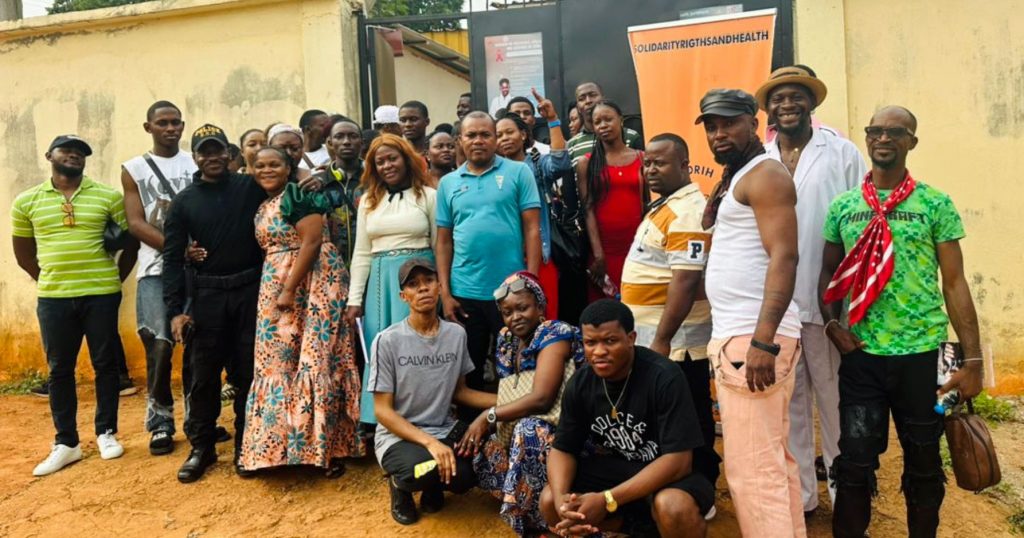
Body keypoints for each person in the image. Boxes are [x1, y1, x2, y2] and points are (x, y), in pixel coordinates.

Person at [821, 106, 983, 538]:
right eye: (876, 130)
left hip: (926, 356)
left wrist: (974, 360)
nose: (884, 138)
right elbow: (828, 276)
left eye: (896, 131)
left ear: (912, 141)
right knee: (853, 464)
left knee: (925, 465)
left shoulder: (934, 203)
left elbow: (954, 283)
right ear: (868, 138)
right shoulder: (845, 206)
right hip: (863, 356)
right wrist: (831, 325)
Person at [756, 65, 867, 515]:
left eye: (796, 96)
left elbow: (863, 226)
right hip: (777, 305)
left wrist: (851, 302)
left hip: (828, 302)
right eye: (778, 98)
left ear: (812, 103)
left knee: (835, 399)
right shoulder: (759, 159)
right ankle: (801, 497)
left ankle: (846, 494)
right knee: (791, 405)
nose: (787, 105)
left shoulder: (841, 153)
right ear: (769, 109)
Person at [698, 89, 805, 536]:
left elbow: (785, 257)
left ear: (754, 123)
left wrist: (763, 340)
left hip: (753, 340)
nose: (719, 133)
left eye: (729, 123)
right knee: (773, 463)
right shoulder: (743, 175)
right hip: (746, 336)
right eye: (710, 125)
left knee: (753, 473)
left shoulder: (765, 175)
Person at [13, 134, 137, 476]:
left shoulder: (108, 197)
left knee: (105, 365)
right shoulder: (27, 201)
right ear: (49, 155)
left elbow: (131, 244)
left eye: (80, 152)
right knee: (59, 370)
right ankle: (66, 442)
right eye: (66, 150)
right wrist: (50, 279)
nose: (74, 155)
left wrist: (113, 280)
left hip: (101, 294)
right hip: (54, 298)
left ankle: (106, 432)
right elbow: (23, 252)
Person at [540, 300, 713, 537]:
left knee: (672, 506)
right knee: (550, 499)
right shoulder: (581, 383)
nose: (599, 352)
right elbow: (562, 449)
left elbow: (679, 461)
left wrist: (608, 499)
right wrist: (563, 502)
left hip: (674, 474)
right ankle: (635, 528)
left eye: (610, 341)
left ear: (631, 338)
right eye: (590, 343)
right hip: (619, 469)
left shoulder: (664, 376)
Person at [238, 146, 363, 476]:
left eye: (274, 164)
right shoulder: (264, 203)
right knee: (276, 361)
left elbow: (311, 241)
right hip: (278, 281)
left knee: (319, 358)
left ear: (289, 166)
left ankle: (326, 449)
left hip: (314, 282)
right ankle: (275, 450)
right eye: (259, 165)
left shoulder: (299, 194)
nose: (266, 170)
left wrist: (290, 288)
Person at [163, 124, 265, 483]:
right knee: (203, 377)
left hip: (251, 292)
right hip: (207, 297)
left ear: (230, 153)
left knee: (248, 374)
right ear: (196, 157)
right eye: (205, 152)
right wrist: (176, 310)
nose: (213, 158)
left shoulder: (250, 187)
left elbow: (285, 184)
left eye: (218, 150)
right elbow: (172, 258)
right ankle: (201, 447)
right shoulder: (183, 202)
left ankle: (245, 445)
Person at [620, 133, 721, 492]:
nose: (650, 170)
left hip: (680, 344)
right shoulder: (666, 206)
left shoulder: (689, 210)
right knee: (672, 414)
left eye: (659, 163)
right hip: (661, 339)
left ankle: (701, 485)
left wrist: (662, 339)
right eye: (647, 163)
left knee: (691, 414)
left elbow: (687, 280)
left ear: (684, 165)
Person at [367, 258, 495, 525]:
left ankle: (434, 484)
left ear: (439, 286)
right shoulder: (388, 341)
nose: (422, 288)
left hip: (443, 429)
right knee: (419, 471)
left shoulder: (456, 334)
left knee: (469, 474)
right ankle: (400, 485)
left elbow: (460, 392)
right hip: (399, 437)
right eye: (413, 284)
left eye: (428, 281)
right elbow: (382, 411)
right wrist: (430, 443)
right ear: (404, 297)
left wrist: (508, 400)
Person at [464, 271, 584, 536]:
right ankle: (528, 508)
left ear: (540, 306)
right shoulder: (507, 341)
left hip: (569, 427)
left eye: (523, 308)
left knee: (528, 431)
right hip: (532, 419)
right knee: (489, 444)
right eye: (507, 312)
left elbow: (542, 398)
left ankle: (544, 521)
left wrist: (489, 416)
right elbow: (511, 393)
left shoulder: (555, 333)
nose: (515, 317)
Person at [436, 111, 542, 394]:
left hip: (512, 291)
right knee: (468, 370)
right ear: (460, 140)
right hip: (464, 292)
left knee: (517, 366)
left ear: (496, 138)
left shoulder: (519, 172)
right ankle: (473, 431)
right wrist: (445, 294)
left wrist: (531, 282)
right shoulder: (448, 183)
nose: (478, 140)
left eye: (486, 134)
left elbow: (533, 229)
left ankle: (517, 429)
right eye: (471, 135)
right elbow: (443, 241)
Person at [120, 100, 199, 455]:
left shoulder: (196, 161)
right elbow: (136, 223)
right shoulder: (133, 168)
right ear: (148, 127)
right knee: (159, 345)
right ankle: (160, 421)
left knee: (199, 345)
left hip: (199, 268)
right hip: (155, 270)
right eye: (163, 123)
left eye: (176, 123)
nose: (171, 129)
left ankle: (199, 419)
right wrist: (177, 250)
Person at [345, 134, 437, 428]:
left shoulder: (428, 196)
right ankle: (379, 419)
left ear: (406, 159)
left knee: (417, 348)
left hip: (418, 279)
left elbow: (439, 245)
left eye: (392, 158)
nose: (387, 165)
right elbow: (360, 253)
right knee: (379, 348)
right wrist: (354, 300)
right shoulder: (369, 202)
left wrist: (440, 290)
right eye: (379, 161)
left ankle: (418, 416)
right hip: (380, 283)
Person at [494, 89, 570, 321]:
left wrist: (552, 120)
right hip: (505, 256)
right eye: (498, 134)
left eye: (510, 132)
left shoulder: (535, 164)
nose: (504, 138)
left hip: (539, 256)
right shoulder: (489, 171)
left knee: (543, 319)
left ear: (524, 135)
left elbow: (560, 162)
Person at [576, 100, 646, 301]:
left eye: (608, 119)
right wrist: (598, 252)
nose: (603, 125)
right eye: (597, 122)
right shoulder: (587, 163)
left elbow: (647, 204)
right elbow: (587, 209)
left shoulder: (642, 158)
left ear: (621, 120)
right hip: (604, 251)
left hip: (636, 246)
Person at [313, 117, 365, 265]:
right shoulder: (318, 182)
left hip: (369, 263)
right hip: (330, 266)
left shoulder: (375, 179)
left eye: (353, 136)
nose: (346, 141)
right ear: (329, 143)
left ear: (362, 143)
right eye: (339, 136)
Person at [566, 81, 643, 166]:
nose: (588, 101)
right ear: (578, 108)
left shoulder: (631, 137)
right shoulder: (571, 145)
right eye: (582, 99)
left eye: (592, 95)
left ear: (603, 99)